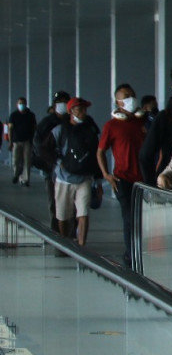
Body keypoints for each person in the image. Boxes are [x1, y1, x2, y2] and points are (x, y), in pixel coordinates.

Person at [97, 84, 147, 268]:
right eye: (126, 96)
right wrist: (106, 175)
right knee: (129, 217)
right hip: (122, 179)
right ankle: (130, 254)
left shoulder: (141, 123)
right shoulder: (111, 126)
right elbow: (100, 152)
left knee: (140, 218)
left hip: (142, 180)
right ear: (118, 102)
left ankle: (139, 251)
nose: (131, 98)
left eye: (133, 95)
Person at [51, 97, 101, 246]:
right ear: (71, 111)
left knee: (83, 213)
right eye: (80, 109)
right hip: (64, 180)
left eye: (85, 109)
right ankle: (64, 242)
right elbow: (46, 149)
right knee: (63, 215)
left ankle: (81, 246)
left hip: (84, 179)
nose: (83, 112)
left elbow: (96, 155)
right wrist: (59, 162)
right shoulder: (60, 130)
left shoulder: (90, 130)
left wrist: (98, 182)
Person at [34, 91, 72, 230]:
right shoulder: (46, 123)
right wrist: (51, 161)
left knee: (71, 203)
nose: (62, 104)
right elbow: (38, 145)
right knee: (54, 201)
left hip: (70, 169)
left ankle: (71, 232)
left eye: (65, 101)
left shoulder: (72, 121)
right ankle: (55, 232)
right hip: (50, 168)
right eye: (60, 102)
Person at [8, 95, 36, 186]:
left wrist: (34, 140)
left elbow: (34, 128)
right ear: (17, 104)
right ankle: (16, 174)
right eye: (20, 103)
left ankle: (26, 179)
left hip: (27, 141)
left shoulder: (31, 115)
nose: (21, 105)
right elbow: (10, 129)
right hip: (16, 141)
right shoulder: (13, 115)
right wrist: (10, 142)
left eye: (23, 103)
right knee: (16, 160)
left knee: (27, 161)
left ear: (26, 104)